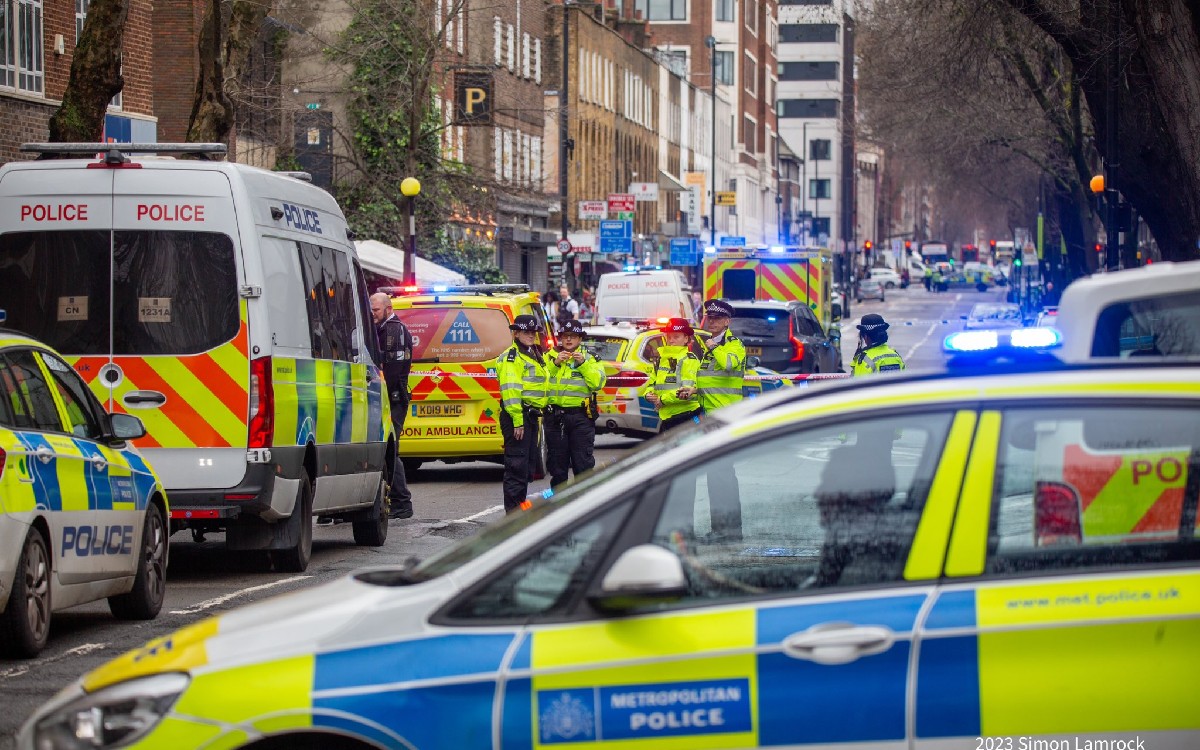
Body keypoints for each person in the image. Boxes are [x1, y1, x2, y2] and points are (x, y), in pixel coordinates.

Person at [696, 298, 746, 540]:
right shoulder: (708, 346)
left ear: (727, 321)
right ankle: (721, 529)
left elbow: (728, 364)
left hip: (725, 419)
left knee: (723, 477)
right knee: (715, 477)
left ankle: (730, 530)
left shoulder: (734, 345)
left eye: (716, 318)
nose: (711, 321)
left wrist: (714, 348)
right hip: (709, 418)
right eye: (709, 318)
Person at [496, 314, 550, 513]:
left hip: (530, 417)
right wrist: (518, 421)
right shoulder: (513, 357)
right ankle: (513, 516)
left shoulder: (532, 353)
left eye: (533, 332)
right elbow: (511, 391)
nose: (530, 335)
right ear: (516, 333)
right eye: (526, 332)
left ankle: (519, 512)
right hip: (518, 418)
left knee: (525, 468)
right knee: (516, 468)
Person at [545, 319, 607, 488]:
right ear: (561, 338)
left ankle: (584, 509)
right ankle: (559, 507)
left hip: (581, 418)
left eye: (573, 336)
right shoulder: (549, 357)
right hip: (555, 418)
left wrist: (583, 365)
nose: (569, 340)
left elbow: (598, 383)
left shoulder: (591, 359)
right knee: (558, 470)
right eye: (565, 336)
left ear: (580, 339)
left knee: (583, 467)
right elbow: (539, 382)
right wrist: (555, 364)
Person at [370, 292, 414, 519]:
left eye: (376, 310)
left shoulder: (394, 331)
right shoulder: (382, 329)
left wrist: (382, 395)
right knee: (386, 448)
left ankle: (402, 501)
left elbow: (394, 371)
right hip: (387, 397)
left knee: (391, 449)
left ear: (388, 308)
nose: (372, 313)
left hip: (393, 399)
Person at [640, 318, 702, 432]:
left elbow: (686, 392)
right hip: (667, 417)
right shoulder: (662, 359)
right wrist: (648, 394)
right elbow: (653, 383)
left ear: (686, 339)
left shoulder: (689, 360)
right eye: (669, 337)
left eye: (676, 336)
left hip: (686, 416)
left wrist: (662, 400)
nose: (671, 340)